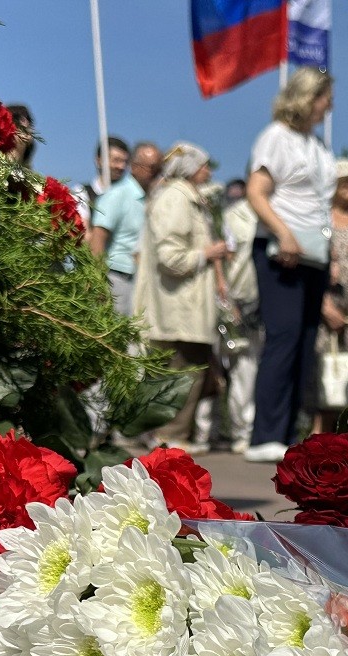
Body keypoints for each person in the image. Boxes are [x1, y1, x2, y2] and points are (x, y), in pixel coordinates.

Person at [244, 68, 336, 463]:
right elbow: (257, 192)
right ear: (307, 97)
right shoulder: (275, 137)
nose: (329, 105)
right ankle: (264, 434)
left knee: (304, 342)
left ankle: (288, 433)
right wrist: (283, 233)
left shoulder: (316, 144)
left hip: (315, 253)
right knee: (282, 338)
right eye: (324, 97)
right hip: (282, 251)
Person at [133, 142, 229, 453]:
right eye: (203, 165)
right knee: (181, 372)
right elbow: (170, 257)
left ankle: (172, 434)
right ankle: (169, 435)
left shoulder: (187, 198)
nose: (209, 171)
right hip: (177, 307)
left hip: (185, 306)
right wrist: (207, 252)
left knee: (188, 369)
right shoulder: (176, 198)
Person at [313, 158, 348, 434]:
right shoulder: (320, 218)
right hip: (328, 302)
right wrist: (324, 306)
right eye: (347, 182)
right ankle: (318, 435)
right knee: (326, 371)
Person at [90, 141, 162, 312]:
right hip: (117, 278)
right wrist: (97, 281)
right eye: (152, 168)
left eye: (160, 168)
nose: (157, 174)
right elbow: (98, 238)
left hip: (141, 279)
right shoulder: (117, 195)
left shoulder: (152, 199)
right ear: (135, 166)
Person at [217, 184, 261, 454]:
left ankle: (260, 428)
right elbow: (223, 260)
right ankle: (242, 430)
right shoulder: (233, 216)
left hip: (271, 300)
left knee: (261, 368)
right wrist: (226, 300)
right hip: (240, 300)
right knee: (243, 370)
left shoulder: (280, 212)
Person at [75, 135, 129, 235]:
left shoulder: (130, 196)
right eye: (116, 160)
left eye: (125, 162)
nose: (121, 166)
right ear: (99, 160)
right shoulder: (82, 193)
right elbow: (84, 234)